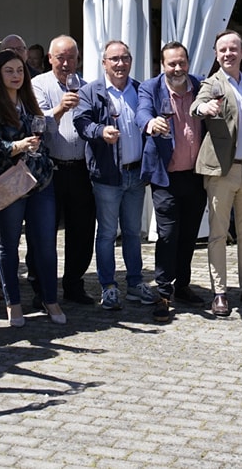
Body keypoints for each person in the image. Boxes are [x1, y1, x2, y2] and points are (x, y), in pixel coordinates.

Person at [0, 50, 62, 327]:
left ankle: (50, 299)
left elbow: (41, 136)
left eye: (20, 70)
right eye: (9, 71)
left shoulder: (28, 100)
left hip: (39, 182)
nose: (15, 76)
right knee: (9, 245)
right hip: (8, 182)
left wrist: (37, 147)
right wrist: (19, 146)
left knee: (46, 244)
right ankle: (13, 303)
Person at [191, 30, 242, 317]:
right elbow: (196, 106)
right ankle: (220, 292)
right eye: (223, 49)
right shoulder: (211, 84)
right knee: (217, 234)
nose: (228, 54)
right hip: (221, 171)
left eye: (233, 49)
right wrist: (206, 106)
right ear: (216, 53)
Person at [73, 41, 154, 310]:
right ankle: (108, 286)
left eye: (125, 58)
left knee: (133, 232)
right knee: (107, 233)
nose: (120, 64)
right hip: (107, 176)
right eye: (115, 59)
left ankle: (134, 283)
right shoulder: (91, 91)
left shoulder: (140, 89)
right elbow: (81, 122)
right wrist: (100, 131)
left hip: (135, 174)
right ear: (104, 62)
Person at [136, 41, 207, 321]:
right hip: (166, 176)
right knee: (168, 233)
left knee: (189, 233)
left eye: (181, 63)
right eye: (171, 64)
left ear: (188, 63)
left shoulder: (200, 86)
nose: (177, 68)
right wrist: (150, 123)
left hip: (196, 174)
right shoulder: (151, 88)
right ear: (162, 65)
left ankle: (183, 285)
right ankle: (163, 292)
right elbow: (142, 111)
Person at [31, 35, 96, 305]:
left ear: (78, 59)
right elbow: (37, 122)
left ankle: (73, 284)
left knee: (81, 231)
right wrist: (60, 108)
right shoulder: (37, 85)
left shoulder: (89, 87)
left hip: (80, 169)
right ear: (50, 58)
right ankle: (40, 288)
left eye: (71, 57)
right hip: (50, 169)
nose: (66, 63)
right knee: (43, 232)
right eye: (60, 57)